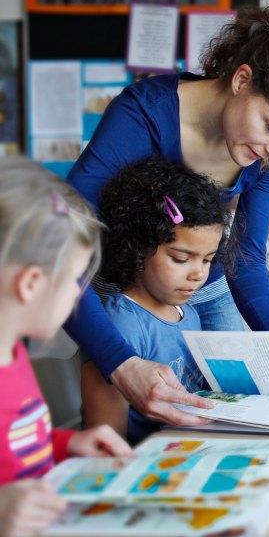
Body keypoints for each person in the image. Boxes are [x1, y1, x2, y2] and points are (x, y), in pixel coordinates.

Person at [63, 4, 269, 429]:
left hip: (207, 285)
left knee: (232, 413)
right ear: (241, 80)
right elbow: (63, 246)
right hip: (119, 280)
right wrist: (120, 363)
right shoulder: (142, 114)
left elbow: (245, 259)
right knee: (132, 409)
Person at [0, 157, 132, 537]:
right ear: (30, 284)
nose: (79, 296)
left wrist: (67, 444)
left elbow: (18, 445)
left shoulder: (15, 354)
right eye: (76, 280)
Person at [80, 158, 229, 444]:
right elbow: (106, 441)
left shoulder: (186, 311)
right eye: (181, 259)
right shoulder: (121, 324)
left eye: (208, 260)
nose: (198, 274)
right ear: (139, 248)